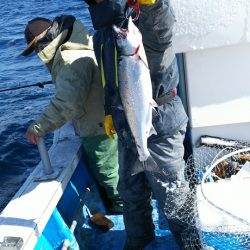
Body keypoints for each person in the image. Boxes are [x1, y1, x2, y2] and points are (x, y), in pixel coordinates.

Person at [83, 0, 204, 249]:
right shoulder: (105, 32)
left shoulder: (135, 18)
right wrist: (109, 112)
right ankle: (138, 242)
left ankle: (192, 245)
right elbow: (110, 80)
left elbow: (162, 31)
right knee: (131, 194)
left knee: (173, 193)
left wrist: (153, 5)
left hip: (160, 121)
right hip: (127, 124)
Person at [21, 15, 123, 214]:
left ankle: (125, 212)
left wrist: (38, 126)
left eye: (35, 47)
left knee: (109, 174)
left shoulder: (69, 59)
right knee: (118, 169)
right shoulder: (77, 42)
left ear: (43, 41)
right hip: (107, 119)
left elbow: (68, 103)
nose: (37, 52)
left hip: (98, 128)